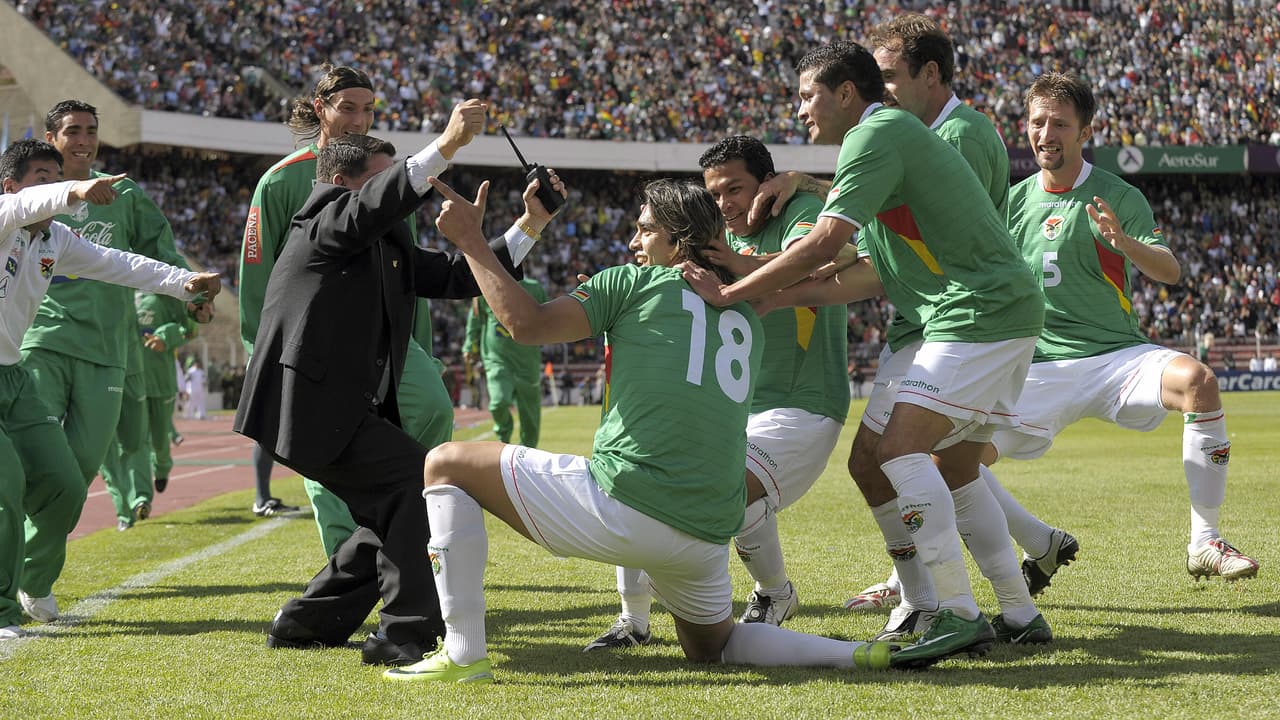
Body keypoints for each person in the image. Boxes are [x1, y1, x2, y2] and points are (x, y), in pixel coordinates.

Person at [383, 177, 897, 684]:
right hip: (706, 530)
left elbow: (526, 325)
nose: (633, 242)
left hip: (628, 507)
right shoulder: (743, 310)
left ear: (678, 241)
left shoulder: (629, 283)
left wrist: (472, 242)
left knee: (445, 462)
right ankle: (853, 653)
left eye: (645, 230)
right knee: (713, 647)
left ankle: (463, 652)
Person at [681, 40, 1044, 669]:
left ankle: (956, 614)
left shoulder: (875, 135)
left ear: (846, 92)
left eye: (806, 96)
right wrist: (770, 302)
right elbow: (867, 274)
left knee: (901, 449)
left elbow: (828, 240)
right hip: (984, 311)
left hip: (978, 312)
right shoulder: (886, 141)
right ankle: (1019, 611)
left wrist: (738, 289)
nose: (799, 112)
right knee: (921, 462)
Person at [234, 100, 549, 669]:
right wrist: (445, 147)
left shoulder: (385, 242)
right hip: (305, 408)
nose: (397, 195)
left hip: (342, 409)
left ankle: (307, 622)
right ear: (339, 182)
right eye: (380, 181)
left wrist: (532, 224)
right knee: (415, 483)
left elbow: (459, 277)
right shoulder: (320, 220)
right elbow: (376, 204)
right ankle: (405, 635)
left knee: (393, 502)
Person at [986, 72, 1257, 583]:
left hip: (1116, 358)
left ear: (1085, 132)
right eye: (1037, 122)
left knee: (1197, 381)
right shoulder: (1011, 202)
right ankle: (1037, 541)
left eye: (1060, 124)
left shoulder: (1116, 195)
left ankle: (1205, 541)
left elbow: (1170, 272)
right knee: (951, 461)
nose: (1047, 134)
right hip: (1037, 366)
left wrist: (1124, 243)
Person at [584, 136, 849, 652]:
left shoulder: (799, 212)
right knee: (644, 477)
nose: (725, 203)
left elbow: (827, 257)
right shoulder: (712, 242)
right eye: (715, 192)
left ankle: (775, 593)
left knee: (728, 487)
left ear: (768, 184)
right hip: (735, 411)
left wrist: (802, 183)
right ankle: (634, 620)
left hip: (800, 404)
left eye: (736, 188)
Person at [0, 138, 220, 637]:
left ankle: (33, 583)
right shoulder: (4, 215)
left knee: (65, 484)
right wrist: (76, 189)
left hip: (12, 377)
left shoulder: (55, 241)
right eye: (42, 178)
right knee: (5, 487)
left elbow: (122, 264)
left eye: (58, 177)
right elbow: (25, 206)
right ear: (10, 185)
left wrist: (185, 283)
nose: (52, 188)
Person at [463, 278, 547, 447]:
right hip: (496, 359)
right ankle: (503, 435)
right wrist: (469, 346)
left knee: (530, 413)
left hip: (527, 361)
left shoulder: (535, 288)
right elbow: (475, 320)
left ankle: (528, 451)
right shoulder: (485, 285)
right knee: (498, 402)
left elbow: (547, 318)